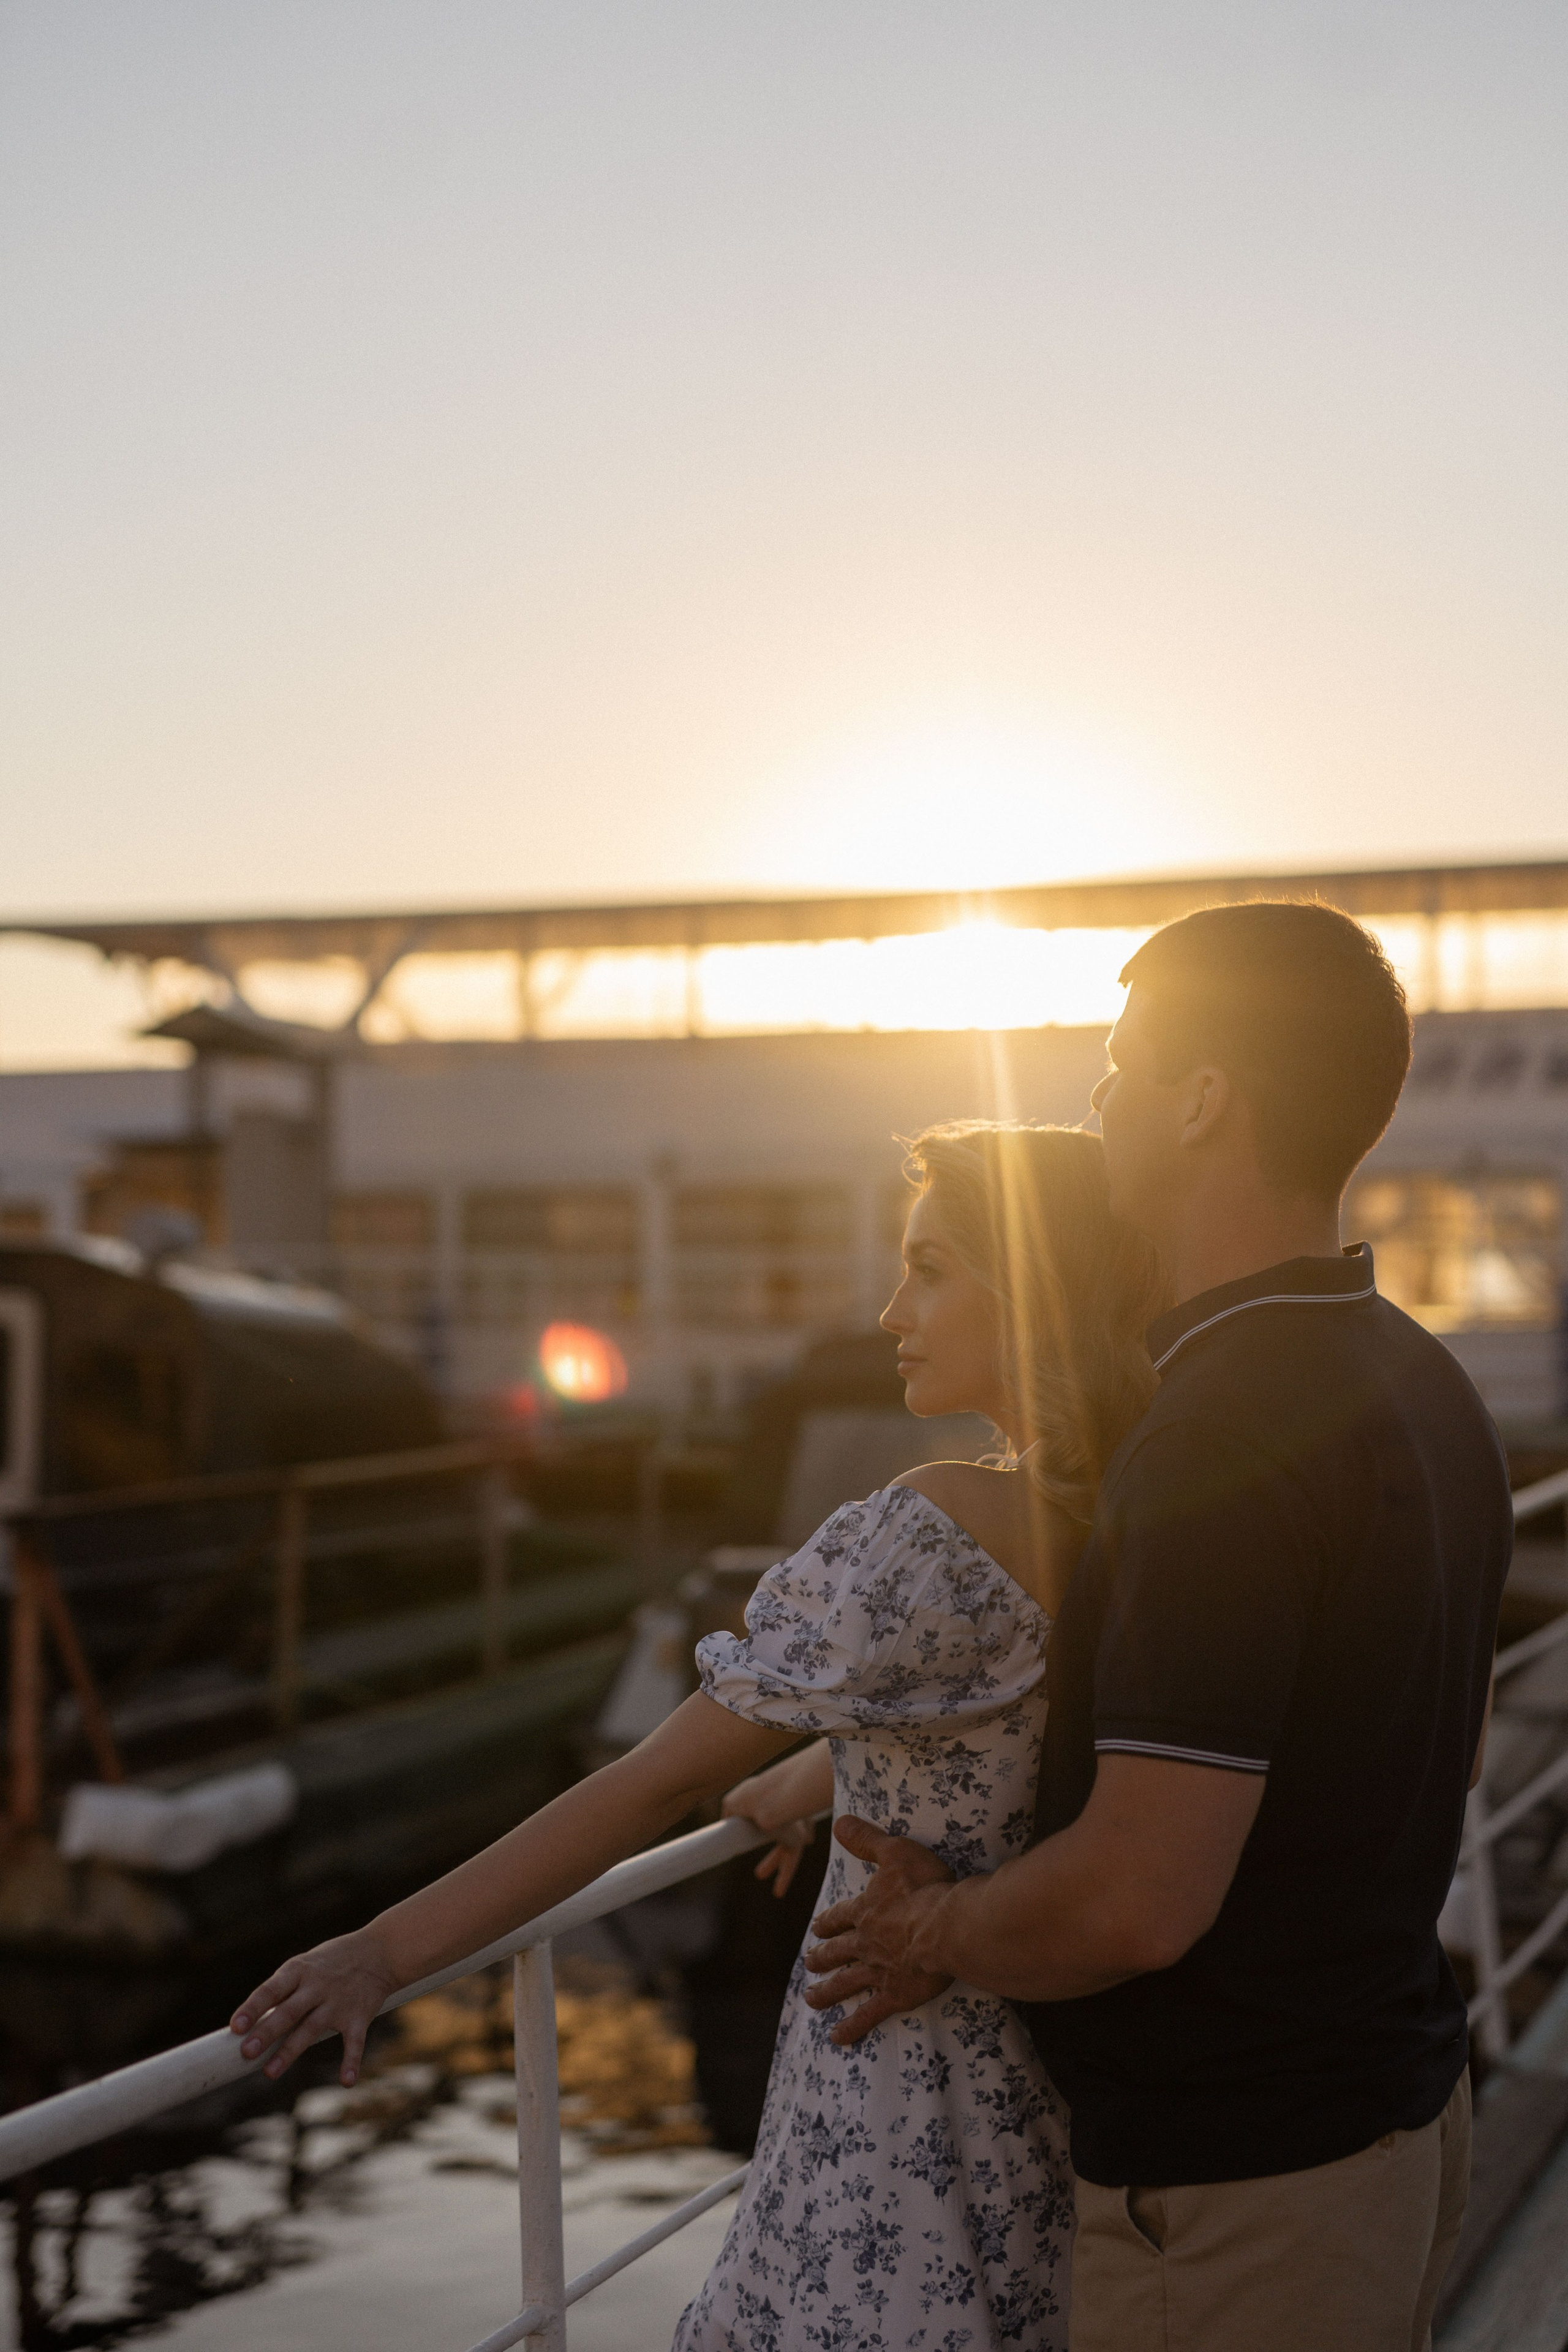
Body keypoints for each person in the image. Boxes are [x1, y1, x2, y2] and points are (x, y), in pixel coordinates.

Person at [227, 1122, 1167, 2351]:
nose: (892, 1311)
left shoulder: (930, 1528)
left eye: (930, 1270)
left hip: (893, 2081)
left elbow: (647, 1786)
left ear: (1035, 1295)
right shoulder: (1137, 1514)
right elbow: (1016, 1731)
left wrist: (381, 1953)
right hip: (1042, 2090)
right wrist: (819, 1774)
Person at [796, 902, 1514, 2352]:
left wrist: (930, 1926)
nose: (1098, 1099)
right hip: (1390, 2117)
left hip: (1240, 2195)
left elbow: (1137, 1897)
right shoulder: (1416, 1375)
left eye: (1121, 1067)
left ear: (1200, 1102)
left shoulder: (1213, 1437)